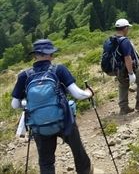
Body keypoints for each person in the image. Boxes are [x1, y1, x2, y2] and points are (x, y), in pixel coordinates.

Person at [11, 39, 94, 174]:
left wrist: (29, 103)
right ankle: (85, 171)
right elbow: (77, 94)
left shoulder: (24, 76)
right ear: (51, 55)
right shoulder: (58, 70)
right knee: (78, 151)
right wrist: (89, 93)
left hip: (39, 126)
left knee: (46, 162)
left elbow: (15, 105)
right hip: (64, 122)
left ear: (34, 55)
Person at [113, 18, 139, 115]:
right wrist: (131, 73)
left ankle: (124, 107)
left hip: (118, 69)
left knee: (123, 85)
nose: (128, 30)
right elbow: (127, 57)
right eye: (127, 28)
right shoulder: (124, 41)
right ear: (124, 28)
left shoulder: (111, 40)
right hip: (129, 67)